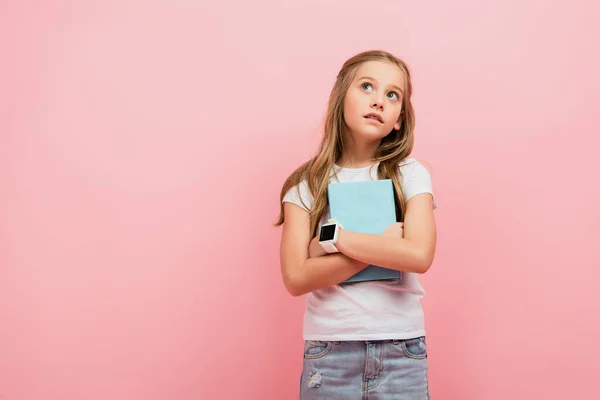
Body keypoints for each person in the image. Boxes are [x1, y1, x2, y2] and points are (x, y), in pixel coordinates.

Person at [275, 49, 437, 399]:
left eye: (392, 95)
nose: (379, 101)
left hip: (402, 348)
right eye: (367, 87)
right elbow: (296, 277)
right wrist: (383, 243)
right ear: (340, 97)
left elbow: (420, 255)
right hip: (330, 351)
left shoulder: (410, 174)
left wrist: (327, 243)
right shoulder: (305, 184)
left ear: (399, 119)